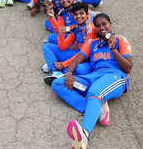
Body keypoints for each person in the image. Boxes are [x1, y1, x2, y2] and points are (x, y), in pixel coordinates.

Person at [51, 13, 133, 149]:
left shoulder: (120, 40)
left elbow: (128, 68)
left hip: (115, 76)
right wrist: (69, 74)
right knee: (59, 83)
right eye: (98, 25)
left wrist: (113, 50)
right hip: (94, 76)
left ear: (110, 24)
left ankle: (84, 135)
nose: (102, 27)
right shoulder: (92, 43)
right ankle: (97, 108)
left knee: (95, 91)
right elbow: (77, 60)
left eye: (104, 24)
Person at [42, 2, 97, 84]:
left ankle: (59, 69)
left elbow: (84, 54)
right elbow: (63, 47)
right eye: (76, 14)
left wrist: (64, 64)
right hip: (76, 55)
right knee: (48, 47)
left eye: (81, 13)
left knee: (80, 70)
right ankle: (55, 72)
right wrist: (61, 34)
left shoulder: (90, 28)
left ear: (87, 14)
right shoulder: (76, 27)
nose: (78, 16)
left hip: (86, 60)